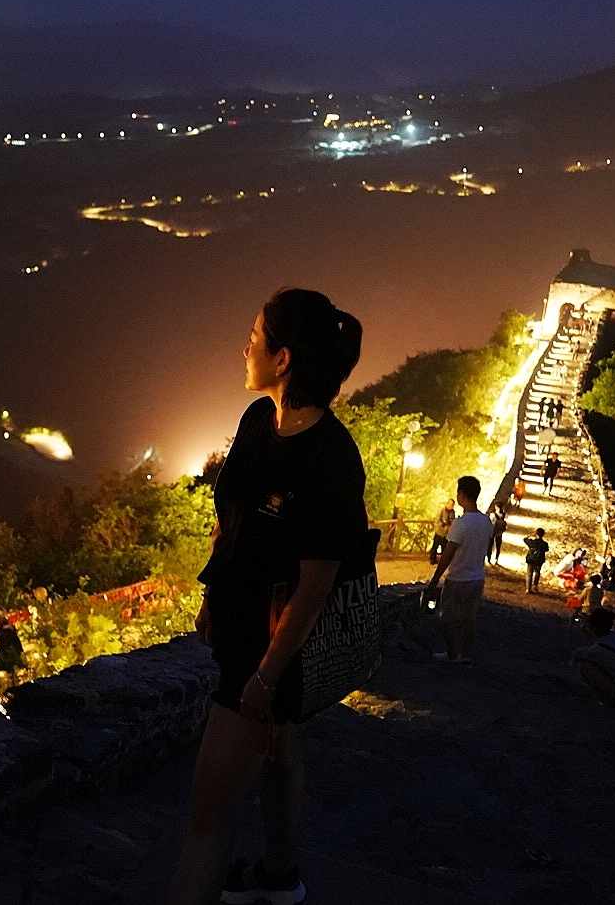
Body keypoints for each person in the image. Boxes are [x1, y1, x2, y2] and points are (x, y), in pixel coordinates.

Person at [171, 288, 368, 905]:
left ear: (282, 360)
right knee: (280, 754)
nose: (244, 348)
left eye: (255, 339)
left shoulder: (331, 460)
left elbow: (315, 585)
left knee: (206, 815)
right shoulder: (259, 421)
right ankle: (281, 878)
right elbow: (232, 520)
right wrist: (212, 592)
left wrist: (265, 676)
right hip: (244, 631)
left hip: (270, 653)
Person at [427, 475, 491, 665]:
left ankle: (452, 655)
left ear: (462, 495)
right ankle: (465, 655)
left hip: (458, 578)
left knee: (447, 619)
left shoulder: (461, 523)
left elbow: (447, 555)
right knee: (469, 619)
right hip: (477, 578)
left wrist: (434, 580)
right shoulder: (486, 521)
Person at [571, 608, 615, 709]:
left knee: (585, 667)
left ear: (593, 628)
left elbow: (580, 653)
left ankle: (606, 701)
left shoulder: (599, 650)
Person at [523, 528, 548, 593]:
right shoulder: (544, 544)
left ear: (536, 534)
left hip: (531, 560)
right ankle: (535, 587)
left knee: (529, 574)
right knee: (537, 573)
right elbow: (547, 549)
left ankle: (528, 588)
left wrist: (531, 535)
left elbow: (525, 539)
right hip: (539, 561)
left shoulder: (532, 542)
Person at [430, 499, 455, 565]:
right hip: (439, 531)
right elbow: (437, 520)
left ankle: (443, 561)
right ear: (447, 504)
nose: (451, 506)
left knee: (444, 548)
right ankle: (432, 559)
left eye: (452, 505)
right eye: (450, 504)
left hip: (446, 534)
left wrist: (450, 526)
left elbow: (452, 520)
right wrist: (443, 525)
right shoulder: (441, 510)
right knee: (435, 546)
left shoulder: (452, 512)